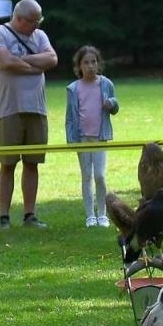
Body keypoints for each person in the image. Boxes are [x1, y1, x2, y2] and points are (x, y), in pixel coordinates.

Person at [0, 0, 58, 229]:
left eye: (39, 21)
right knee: (8, 163)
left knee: (32, 163)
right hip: (10, 109)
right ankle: (4, 217)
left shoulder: (40, 36)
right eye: (33, 21)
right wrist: (35, 65)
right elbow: (5, 62)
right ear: (19, 18)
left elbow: (52, 59)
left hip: (37, 108)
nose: (37, 26)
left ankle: (30, 215)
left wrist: (22, 59)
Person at [65, 45, 119, 227]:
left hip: (100, 136)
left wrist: (112, 103)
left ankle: (102, 214)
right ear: (79, 66)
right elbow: (70, 117)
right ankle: (90, 215)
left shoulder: (106, 84)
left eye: (93, 62)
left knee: (100, 175)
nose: (90, 66)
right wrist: (71, 139)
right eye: (86, 63)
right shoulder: (73, 88)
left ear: (98, 64)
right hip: (82, 138)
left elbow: (115, 108)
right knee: (86, 176)